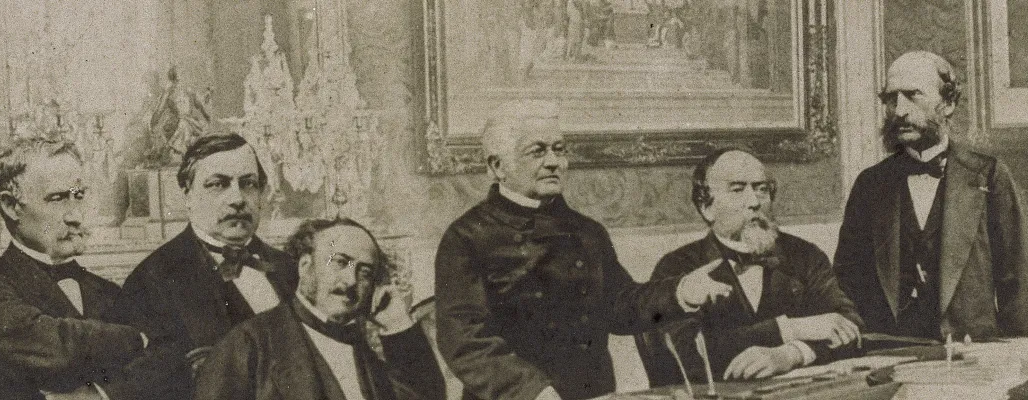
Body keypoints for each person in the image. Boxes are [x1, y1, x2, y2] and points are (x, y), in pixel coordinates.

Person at [434, 101, 699, 400]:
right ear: (498, 166)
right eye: (537, 151)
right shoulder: (466, 237)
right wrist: (532, 391)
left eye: (559, 150)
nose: (553, 162)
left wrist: (681, 292)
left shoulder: (588, 231)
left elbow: (619, 306)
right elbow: (465, 340)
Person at [833, 51, 1028, 342]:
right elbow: (846, 285)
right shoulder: (870, 185)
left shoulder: (989, 176)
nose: (899, 110)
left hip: (971, 355)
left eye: (913, 95)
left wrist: (1012, 358)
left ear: (948, 103)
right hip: (890, 352)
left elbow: (1024, 291)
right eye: (891, 98)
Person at [0, 138, 147, 399]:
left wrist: (101, 394)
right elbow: (60, 348)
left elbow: (163, 372)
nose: (75, 216)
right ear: (11, 206)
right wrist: (141, 339)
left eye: (79, 196)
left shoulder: (108, 291)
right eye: (57, 198)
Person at [109, 133, 301, 399]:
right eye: (218, 184)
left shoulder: (291, 268)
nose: (237, 199)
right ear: (187, 196)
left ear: (261, 195)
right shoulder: (150, 280)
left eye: (248, 184)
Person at [644, 149, 861, 382]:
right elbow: (685, 353)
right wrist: (787, 329)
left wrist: (793, 354)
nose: (754, 202)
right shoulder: (677, 266)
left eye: (762, 189)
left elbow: (849, 323)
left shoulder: (804, 255)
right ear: (706, 207)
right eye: (737, 190)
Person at [196, 219, 445, 400]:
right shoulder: (249, 343)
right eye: (340, 262)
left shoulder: (366, 353)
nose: (350, 281)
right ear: (305, 266)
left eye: (365, 272)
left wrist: (398, 325)